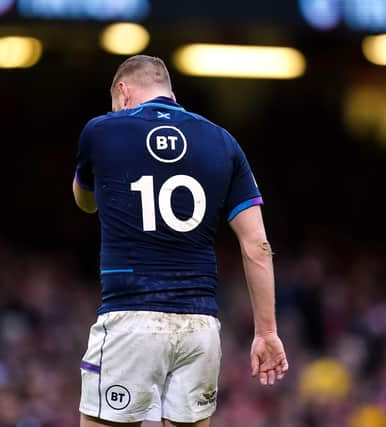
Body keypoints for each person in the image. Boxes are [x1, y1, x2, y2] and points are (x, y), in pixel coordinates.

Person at [72, 55, 288, 427]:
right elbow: (257, 246)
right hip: (199, 326)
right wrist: (266, 331)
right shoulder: (223, 141)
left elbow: (84, 200)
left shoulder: (101, 130)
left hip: (130, 318)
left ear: (123, 93)